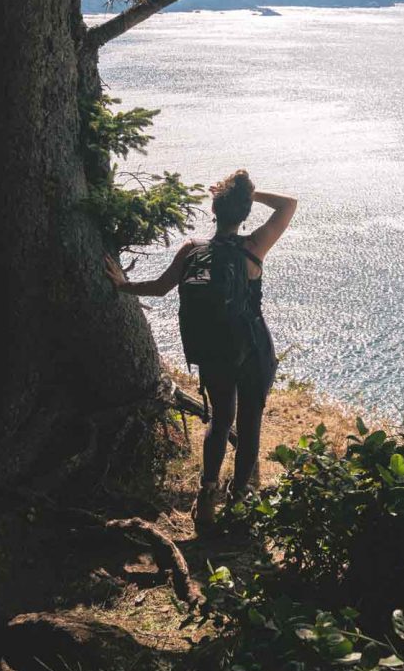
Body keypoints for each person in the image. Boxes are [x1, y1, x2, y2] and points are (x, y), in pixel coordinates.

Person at [105, 170, 297, 528]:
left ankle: (206, 496)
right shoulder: (253, 248)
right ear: (241, 214)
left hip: (213, 351)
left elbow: (161, 288)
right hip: (253, 349)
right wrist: (249, 196)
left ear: (214, 210)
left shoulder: (193, 249)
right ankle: (240, 500)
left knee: (220, 420)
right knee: (249, 424)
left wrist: (122, 285)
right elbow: (289, 204)